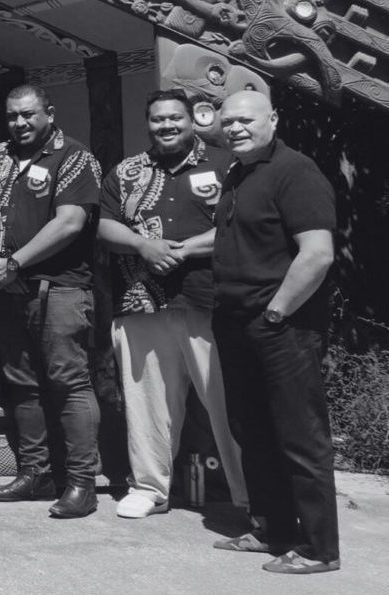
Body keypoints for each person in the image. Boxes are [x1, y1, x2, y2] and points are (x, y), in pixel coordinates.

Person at [96, 90, 248, 521]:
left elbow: (241, 224)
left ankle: (251, 493)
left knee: (229, 402)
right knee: (147, 403)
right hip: (141, 302)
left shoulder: (227, 164)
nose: (167, 126)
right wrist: (143, 245)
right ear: (149, 124)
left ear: (192, 121)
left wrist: (183, 251)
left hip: (211, 302)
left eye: (175, 119)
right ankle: (149, 487)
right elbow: (105, 226)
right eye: (158, 120)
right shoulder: (126, 172)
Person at [209, 90, 340, 574]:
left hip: (281, 326)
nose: (236, 128)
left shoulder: (295, 171)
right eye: (228, 122)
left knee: (299, 437)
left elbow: (317, 254)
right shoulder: (239, 172)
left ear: (274, 119)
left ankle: (319, 548)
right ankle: (275, 529)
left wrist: (277, 313)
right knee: (253, 430)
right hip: (236, 322)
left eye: (246, 119)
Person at [0, 85, 103, 519]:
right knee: (22, 383)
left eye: (28, 115)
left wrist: (15, 262)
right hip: (6, 288)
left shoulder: (75, 157)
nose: (20, 123)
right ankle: (36, 473)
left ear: (49, 112)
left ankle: (82, 483)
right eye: (12, 116)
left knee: (69, 382)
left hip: (59, 288)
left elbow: (70, 222)